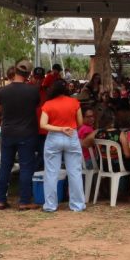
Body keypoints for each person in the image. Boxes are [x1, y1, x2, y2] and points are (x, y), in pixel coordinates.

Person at [0, 60, 42, 210]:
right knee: (26, 167)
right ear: (28, 74)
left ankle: (1, 200)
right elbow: (35, 107)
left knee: (5, 166)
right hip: (27, 133)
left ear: (15, 71)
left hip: (8, 132)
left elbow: (0, 110)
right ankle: (24, 201)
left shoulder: (2, 91)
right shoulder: (33, 91)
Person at [39, 80, 86, 213]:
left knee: (51, 173)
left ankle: (50, 205)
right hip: (71, 136)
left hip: (54, 137)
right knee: (75, 172)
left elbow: (43, 125)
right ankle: (77, 205)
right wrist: (67, 128)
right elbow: (80, 122)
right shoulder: (74, 102)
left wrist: (60, 129)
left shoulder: (48, 104)